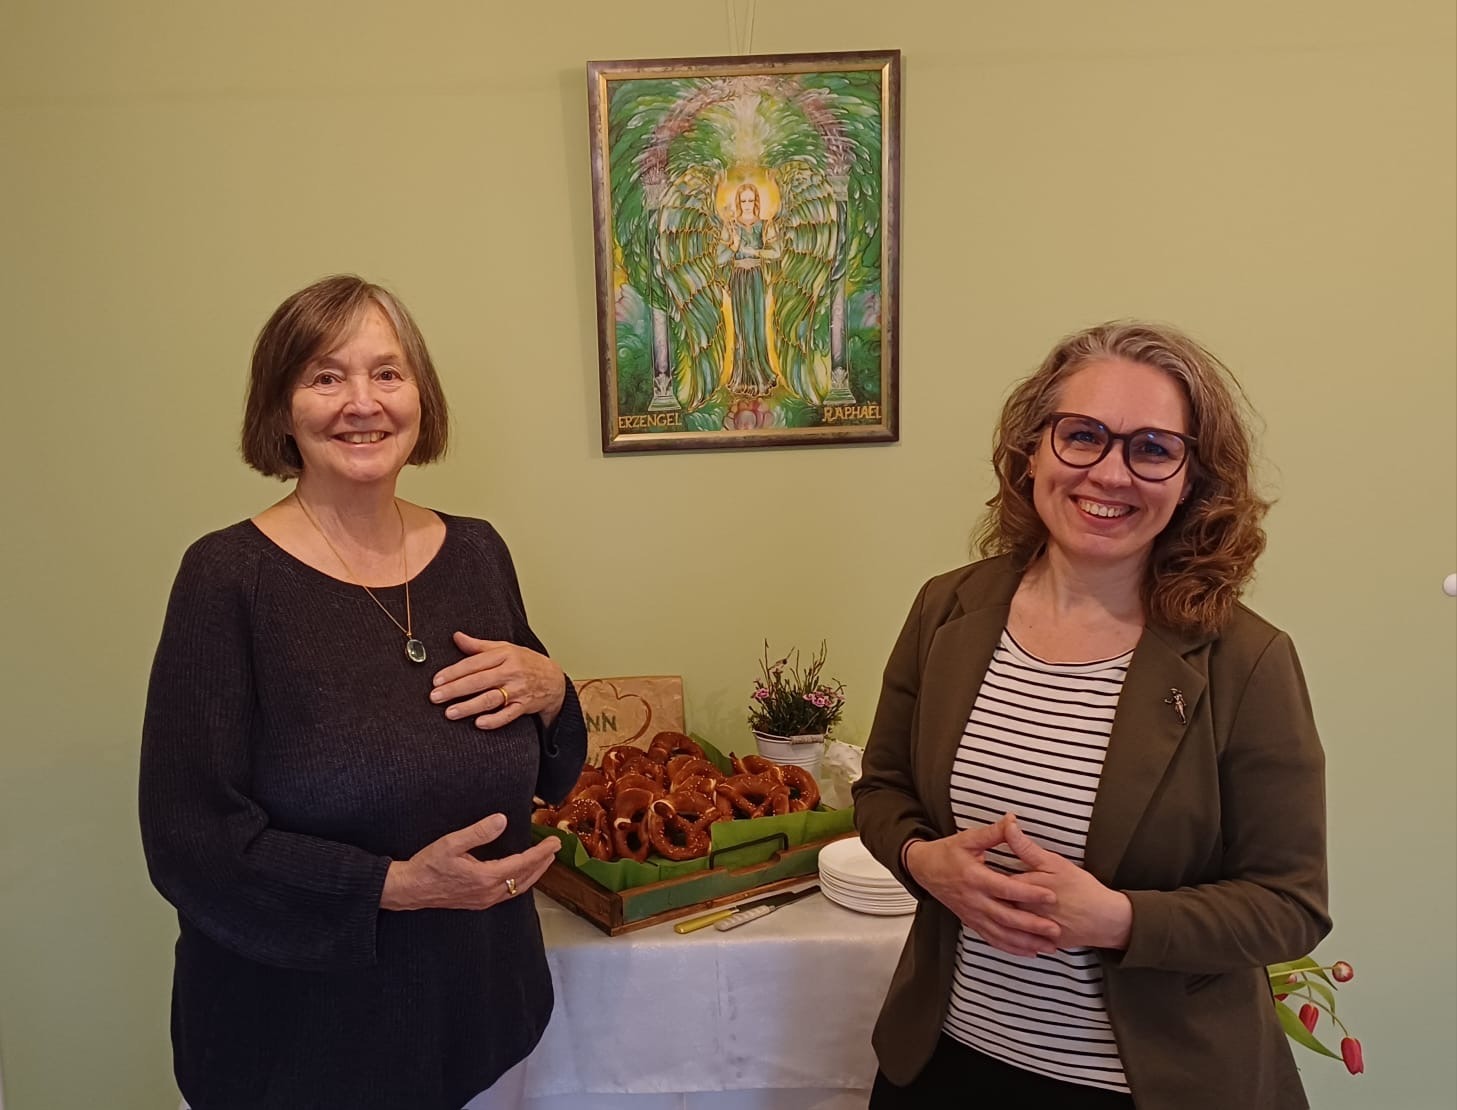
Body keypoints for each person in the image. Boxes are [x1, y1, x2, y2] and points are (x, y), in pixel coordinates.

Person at [852, 321, 1329, 1109]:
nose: (1109, 472)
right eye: (1081, 436)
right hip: (944, 1061)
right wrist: (919, 860)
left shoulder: (1245, 661)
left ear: (1191, 479)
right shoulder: (947, 609)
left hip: (1143, 1087)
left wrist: (1117, 919)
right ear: (1031, 451)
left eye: (1151, 448)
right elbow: (881, 789)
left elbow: (1289, 904)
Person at [139, 275, 587, 1110]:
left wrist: (555, 692)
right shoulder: (227, 578)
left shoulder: (478, 553)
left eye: (387, 373)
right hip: (298, 1048)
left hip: (484, 1019)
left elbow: (549, 773)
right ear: (280, 408)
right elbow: (188, 839)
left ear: (421, 397)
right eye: (325, 376)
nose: (362, 403)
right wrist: (394, 885)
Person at [722, 182, 781, 396]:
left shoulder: (764, 225)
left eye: (751, 200)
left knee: (756, 325)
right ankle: (742, 377)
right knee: (741, 327)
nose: (747, 204)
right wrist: (734, 246)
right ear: (738, 202)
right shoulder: (731, 226)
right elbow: (719, 257)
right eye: (743, 200)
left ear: (756, 202)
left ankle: (761, 374)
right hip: (739, 279)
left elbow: (776, 252)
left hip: (756, 278)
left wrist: (755, 252)